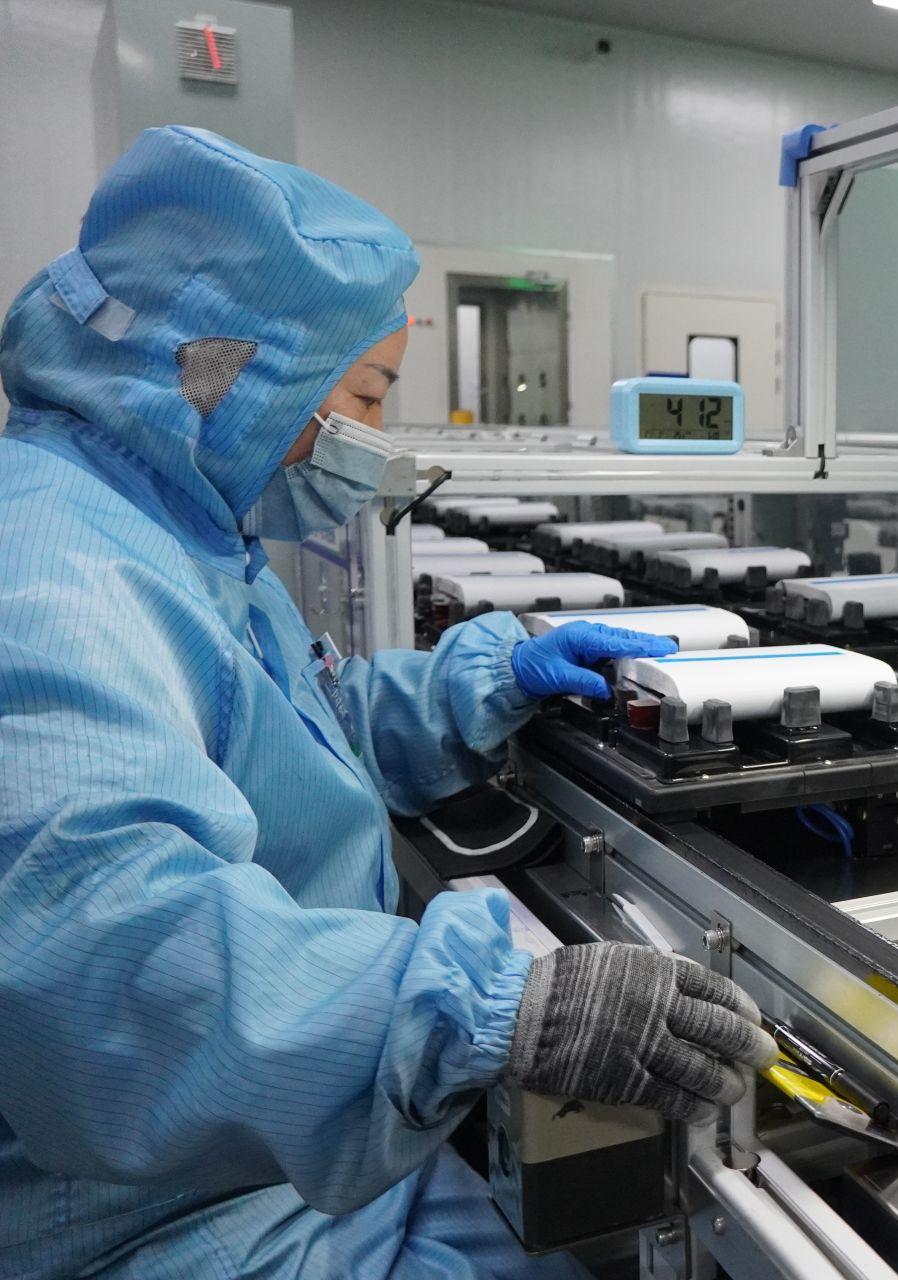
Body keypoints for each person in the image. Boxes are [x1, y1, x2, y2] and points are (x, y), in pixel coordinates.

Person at [0, 127, 775, 1279]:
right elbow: (105, 960)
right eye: (365, 395)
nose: (375, 442)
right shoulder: (51, 581)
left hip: (296, 1175)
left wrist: (482, 682)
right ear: (236, 373)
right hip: (165, 1225)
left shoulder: (179, 531)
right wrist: (486, 1006)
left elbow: (286, 731)